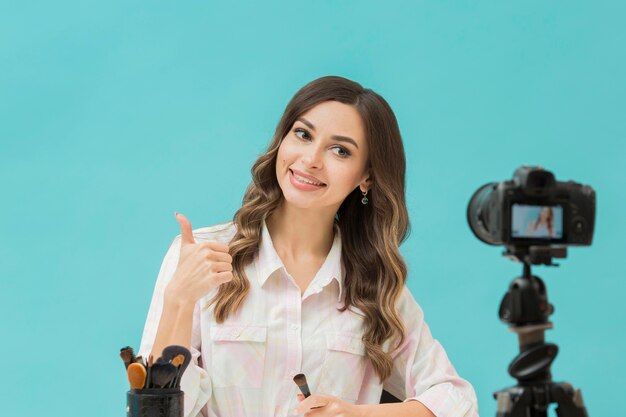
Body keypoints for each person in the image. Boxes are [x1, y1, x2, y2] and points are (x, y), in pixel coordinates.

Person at [138, 75, 479, 417]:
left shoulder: (374, 285)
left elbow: (456, 401)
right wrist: (178, 300)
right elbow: (156, 412)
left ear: (367, 177)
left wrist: (356, 415)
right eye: (303, 134)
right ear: (283, 140)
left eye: (340, 150)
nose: (311, 159)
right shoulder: (204, 254)